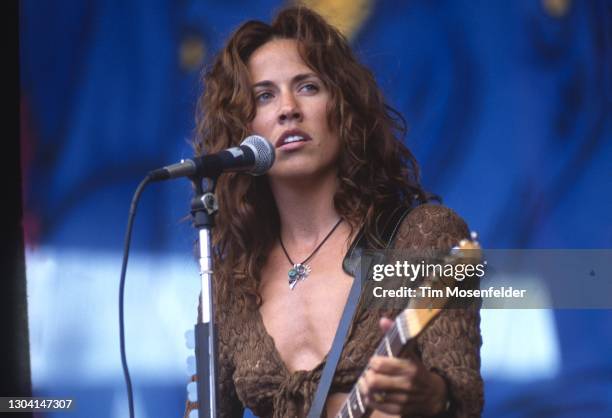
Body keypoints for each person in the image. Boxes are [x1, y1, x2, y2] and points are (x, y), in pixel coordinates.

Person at [184, 5, 483, 418]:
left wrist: (433, 396)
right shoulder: (229, 287)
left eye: (307, 86)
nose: (288, 108)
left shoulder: (424, 237)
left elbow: (464, 396)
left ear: (343, 109)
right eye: (264, 95)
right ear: (243, 127)